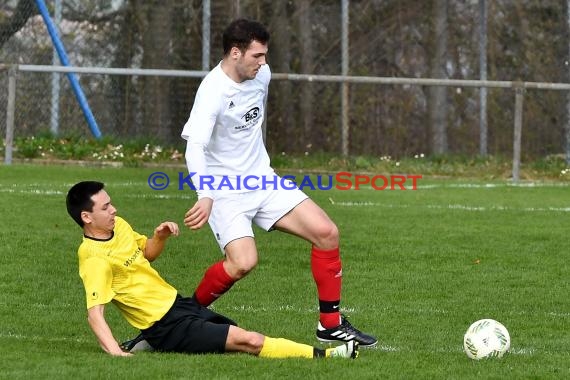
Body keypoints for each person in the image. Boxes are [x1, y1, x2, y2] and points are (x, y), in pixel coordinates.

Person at [181, 18, 377, 347]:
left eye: (265, 55)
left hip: (263, 180)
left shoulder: (261, 76)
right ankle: (184, 316)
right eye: (257, 56)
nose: (264, 63)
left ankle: (329, 324)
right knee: (243, 263)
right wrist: (205, 195)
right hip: (225, 193)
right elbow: (195, 147)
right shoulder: (212, 92)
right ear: (234, 53)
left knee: (327, 233)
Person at [65, 181, 358, 359]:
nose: (113, 209)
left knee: (239, 335)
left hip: (179, 305)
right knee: (250, 341)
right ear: (87, 217)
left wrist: (160, 237)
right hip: (167, 327)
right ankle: (329, 356)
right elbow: (95, 314)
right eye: (105, 208)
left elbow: (146, 255)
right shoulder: (94, 260)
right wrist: (116, 354)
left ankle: (148, 343)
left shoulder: (120, 227)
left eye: (111, 203)